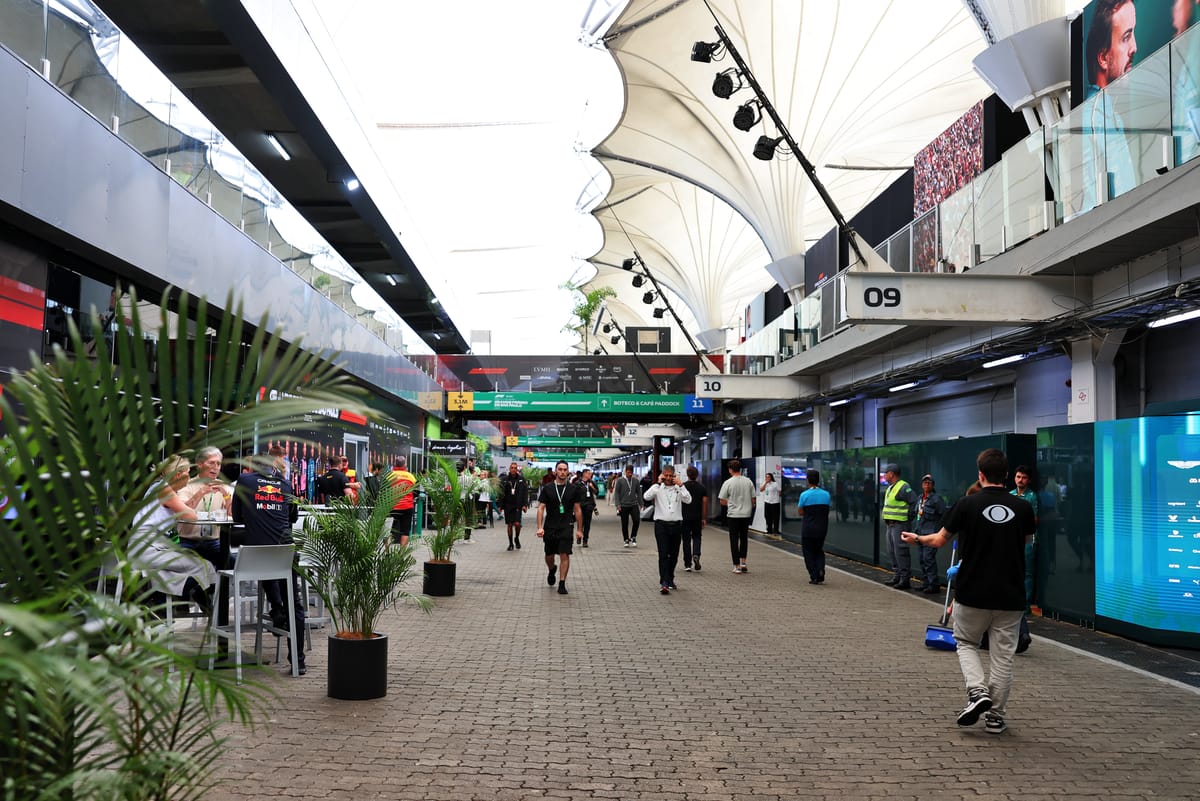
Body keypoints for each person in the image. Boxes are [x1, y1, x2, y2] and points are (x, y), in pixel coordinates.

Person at [902, 448, 1035, 734]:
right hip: (1010, 594)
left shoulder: (966, 504)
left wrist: (917, 538)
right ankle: (995, 717)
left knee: (965, 643)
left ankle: (977, 691)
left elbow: (939, 540)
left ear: (980, 474)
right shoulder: (1023, 507)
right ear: (1007, 475)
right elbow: (1026, 540)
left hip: (972, 590)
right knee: (1003, 657)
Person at [231, 445, 306, 675]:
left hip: (256, 559)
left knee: (261, 562)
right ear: (273, 466)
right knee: (295, 602)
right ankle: (298, 660)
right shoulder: (285, 484)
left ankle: (276, 609)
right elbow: (293, 516)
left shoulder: (244, 481)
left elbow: (237, 517)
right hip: (284, 553)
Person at [129, 454, 218, 612]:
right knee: (204, 566)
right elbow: (190, 515)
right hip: (149, 550)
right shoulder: (165, 490)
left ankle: (159, 604)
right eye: (188, 472)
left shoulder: (160, 487)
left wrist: (199, 494)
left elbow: (182, 509)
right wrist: (197, 512)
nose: (189, 477)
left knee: (172, 573)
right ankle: (196, 596)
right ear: (178, 474)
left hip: (144, 548)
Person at [175, 445, 232, 571]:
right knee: (193, 569)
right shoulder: (187, 485)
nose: (215, 467)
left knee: (233, 562)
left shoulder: (223, 487)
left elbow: (232, 514)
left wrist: (227, 496)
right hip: (188, 541)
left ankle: (221, 585)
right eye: (211, 463)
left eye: (218, 464)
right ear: (199, 464)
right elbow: (182, 512)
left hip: (213, 541)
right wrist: (200, 493)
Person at [535, 460, 583, 596]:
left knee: (564, 553)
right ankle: (552, 569)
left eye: (565, 469)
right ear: (556, 471)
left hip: (566, 526)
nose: (562, 472)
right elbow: (541, 508)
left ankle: (562, 583)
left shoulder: (573, 489)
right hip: (550, 526)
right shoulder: (548, 488)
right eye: (560, 469)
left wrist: (580, 529)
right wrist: (539, 527)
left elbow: (578, 510)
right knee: (549, 555)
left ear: (568, 472)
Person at [644, 464, 692, 594]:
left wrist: (681, 485)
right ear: (662, 475)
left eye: (671, 476)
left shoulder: (678, 488)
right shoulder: (658, 488)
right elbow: (646, 496)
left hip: (676, 525)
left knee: (674, 555)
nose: (669, 478)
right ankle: (664, 582)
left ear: (675, 476)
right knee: (663, 554)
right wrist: (657, 483)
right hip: (661, 526)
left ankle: (670, 577)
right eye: (666, 475)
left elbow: (688, 500)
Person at [1086, 0, 1138, 94]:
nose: (1134, 47)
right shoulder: (1097, 103)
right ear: (1103, 58)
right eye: (1126, 37)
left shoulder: (1103, 100)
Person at [881, 463, 917, 589]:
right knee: (892, 551)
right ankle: (897, 576)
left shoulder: (903, 487)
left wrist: (909, 518)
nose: (884, 475)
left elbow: (914, 502)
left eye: (886, 473)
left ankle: (904, 579)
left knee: (901, 551)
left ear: (891, 474)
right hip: (891, 525)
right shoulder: (891, 487)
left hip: (900, 524)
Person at [717, 459, 756, 573]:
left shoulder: (728, 482)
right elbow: (753, 500)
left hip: (733, 515)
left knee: (734, 539)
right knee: (744, 538)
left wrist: (731, 504)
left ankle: (736, 566)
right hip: (746, 514)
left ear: (730, 469)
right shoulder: (748, 481)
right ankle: (744, 562)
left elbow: (722, 500)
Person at [1011, 465, 1039, 610]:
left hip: (1028, 538)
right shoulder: (1010, 495)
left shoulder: (1032, 496)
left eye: (1024, 477)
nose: (1020, 480)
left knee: (1027, 572)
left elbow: (1034, 520)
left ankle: (1025, 604)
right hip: (1012, 538)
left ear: (1029, 480)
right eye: (1018, 477)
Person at [796, 469, 831, 584]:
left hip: (808, 528)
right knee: (819, 550)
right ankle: (820, 569)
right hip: (822, 528)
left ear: (808, 480)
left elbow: (800, 512)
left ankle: (814, 575)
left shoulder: (804, 495)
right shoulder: (826, 494)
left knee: (808, 552)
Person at [915, 474, 947, 594]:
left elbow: (944, 514)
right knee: (922, 559)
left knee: (928, 559)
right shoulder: (920, 498)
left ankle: (933, 584)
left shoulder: (936, 499)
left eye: (929, 483)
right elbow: (917, 515)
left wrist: (939, 531)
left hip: (931, 534)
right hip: (920, 533)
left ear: (933, 485)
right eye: (925, 483)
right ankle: (926, 583)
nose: (926, 485)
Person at [681, 465, 708, 572]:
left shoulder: (683, 487)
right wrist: (704, 518)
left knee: (686, 540)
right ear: (697, 475)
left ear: (687, 475)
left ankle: (688, 564)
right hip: (697, 516)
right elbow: (705, 503)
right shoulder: (702, 488)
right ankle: (696, 554)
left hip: (684, 517)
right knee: (697, 537)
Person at [498, 462, 530, 550]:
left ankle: (517, 538)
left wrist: (525, 505)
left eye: (515, 468)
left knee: (517, 524)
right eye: (512, 468)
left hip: (518, 505)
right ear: (509, 469)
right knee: (509, 525)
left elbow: (525, 492)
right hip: (508, 505)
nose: (513, 469)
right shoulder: (504, 479)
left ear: (517, 469)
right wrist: (500, 505)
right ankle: (510, 543)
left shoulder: (521, 479)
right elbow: (500, 493)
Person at [387, 457, 417, 547]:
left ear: (394, 464)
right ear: (405, 465)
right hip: (407, 507)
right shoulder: (411, 476)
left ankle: (387, 552)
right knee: (405, 531)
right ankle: (402, 553)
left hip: (392, 507)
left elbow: (384, 490)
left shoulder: (389, 476)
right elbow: (415, 491)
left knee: (386, 530)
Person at [612, 464, 641, 547]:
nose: (630, 474)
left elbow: (639, 492)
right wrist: (617, 504)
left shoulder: (635, 480)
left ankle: (633, 536)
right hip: (623, 505)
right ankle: (626, 539)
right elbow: (617, 493)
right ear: (625, 472)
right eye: (628, 472)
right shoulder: (620, 480)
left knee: (636, 520)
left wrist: (641, 503)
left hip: (634, 504)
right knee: (624, 523)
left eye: (631, 473)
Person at [577, 468, 599, 547]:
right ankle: (579, 535)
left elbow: (597, 492)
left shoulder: (592, 482)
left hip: (589, 506)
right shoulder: (578, 483)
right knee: (580, 522)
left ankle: (585, 540)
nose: (590, 475)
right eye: (589, 473)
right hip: (580, 506)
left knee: (587, 524)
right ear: (584, 474)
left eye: (590, 474)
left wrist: (592, 487)